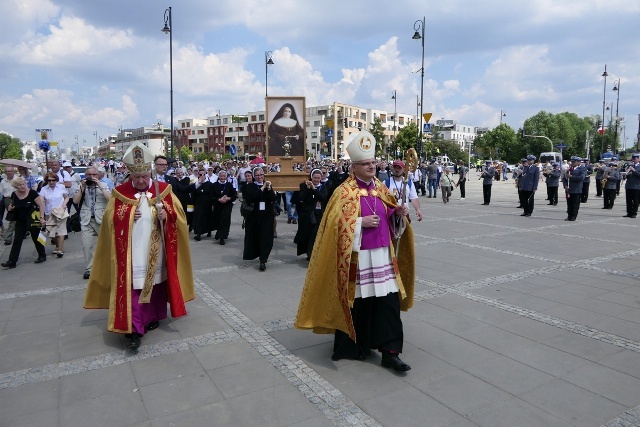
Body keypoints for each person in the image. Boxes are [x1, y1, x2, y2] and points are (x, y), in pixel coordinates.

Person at [294, 130, 415, 372]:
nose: (372, 167)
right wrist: (360, 223)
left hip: (382, 256)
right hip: (357, 259)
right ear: (354, 167)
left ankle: (391, 353)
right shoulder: (344, 191)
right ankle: (356, 346)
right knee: (358, 304)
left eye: (373, 163)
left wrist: (398, 215)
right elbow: (335, 224)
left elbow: (391, 217)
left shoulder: (381, 188)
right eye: (366, 164)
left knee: (388, 304)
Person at [83, 142, 195, 351]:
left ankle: (151, 316)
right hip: (131, 252)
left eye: (145, 176)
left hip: (156, 250)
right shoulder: (120, 193)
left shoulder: (163, 190)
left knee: (155, 284)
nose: (142, 181)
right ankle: (132, 330)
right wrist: (128, 215)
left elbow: (179, 217)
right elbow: (109, 222)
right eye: (137, 177)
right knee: (133, 287)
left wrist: (166, 215)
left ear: (149, 173)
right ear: (130, 176)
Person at [72, 166, 111, 279]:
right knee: (87, 245)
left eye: (94, 175)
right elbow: (75, 201)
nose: (92, 177)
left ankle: (107, 266)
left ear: (98, 175)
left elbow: (110, 198)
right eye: (89, 175)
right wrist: (82, 188)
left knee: (105, 245)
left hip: (101, 219)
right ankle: (89, 268)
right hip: (86, 219)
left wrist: (100, 185)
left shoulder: (104, 185)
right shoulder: (82, 186)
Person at [0, 176, 47, 268]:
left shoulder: (32, 193)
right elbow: (13, 205)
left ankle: (42, 255)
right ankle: (12, 261)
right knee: (17, 240)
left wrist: (42, 217)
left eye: (24, 184)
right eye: (20, 185)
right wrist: (10, 208)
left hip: (32, 219)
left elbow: (41, 205)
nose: (23, 186)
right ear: (15, 186)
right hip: (20, 220)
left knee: (36, 238)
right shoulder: (14, 194)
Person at [242, 167, 277, 271]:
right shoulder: (250, 186)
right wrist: (262, 188)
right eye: (257, 175)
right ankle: (257, 254)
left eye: (261, 175)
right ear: (254, 176)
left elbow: (273, 198)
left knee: (266, 237)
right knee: (255, 237)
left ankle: (263, 259)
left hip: (267, 216)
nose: (260, 177)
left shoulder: (268, 185)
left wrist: (269, 189)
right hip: (254, 215)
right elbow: (252, 197)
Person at [294, 169, 328, 260]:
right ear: (311, 177)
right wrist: (308, 188)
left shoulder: (323, 187)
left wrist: (314, 189)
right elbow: (301, 198)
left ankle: (312, 254)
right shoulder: (304, 186)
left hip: (318, 215)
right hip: (306, 215)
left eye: (318, 178)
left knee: (315, 235)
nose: (316, 180)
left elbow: (323, 198)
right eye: (314, 178)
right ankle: (308, 252)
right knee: (306, 235)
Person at [39, 172, 69, 257]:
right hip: (50, 212)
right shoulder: (44, 189)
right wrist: (42, 216)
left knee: (61, 231)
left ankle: (60, 250)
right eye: (49, 180)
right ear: (46, 181)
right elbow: (42, 203)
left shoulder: (61, 187)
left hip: (61, 212)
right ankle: (57, 246)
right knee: (52, 233)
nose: (51, 182)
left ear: (56, 180)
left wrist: (64, 205)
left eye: (53, 180)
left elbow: (66, 197)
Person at [210, 170, 237, 245]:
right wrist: (219, 199)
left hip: (227, 206)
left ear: (226, 177)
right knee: (219, 220)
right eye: (221, 176)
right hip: (218, 206)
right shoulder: (214, 185)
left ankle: (222, 237)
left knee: (225, 220)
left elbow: (234, 196)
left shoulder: (229, 185)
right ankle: (219, 233)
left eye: (224, 176)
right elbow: (211, 196)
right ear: (218, 176)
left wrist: (228, 198)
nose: (222, 178)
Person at [191, 167, 214, 240]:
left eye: (203, 174)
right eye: (200, 174)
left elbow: (212, 195)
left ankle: (209, 231)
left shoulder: (209, 184)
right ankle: (198, 234)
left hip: (207, 204)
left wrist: (213, 204)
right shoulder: (196, 184)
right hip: (198, 204)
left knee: (208, 217)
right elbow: (193, 195)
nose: (202, 176)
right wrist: (193, 204)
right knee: (198, 218)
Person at [562, 156, 586, 221]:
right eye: (572, 161)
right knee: (569, 204)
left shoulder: (582, 169)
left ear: (579, 162)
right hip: (569, 189)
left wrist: (572, 176)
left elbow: (581, 178)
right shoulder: (569, 169)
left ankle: (573, 216)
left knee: (575, 204)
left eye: (574, 162)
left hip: (576, 189)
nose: (572, 163)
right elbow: (564, 178)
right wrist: (565, 186)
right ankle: (569, 216)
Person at [1, 166, 16, 246]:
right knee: (13, 218)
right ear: (5, 172)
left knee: (14, 219)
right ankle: (25, 232)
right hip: (7, 199)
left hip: (17, 199)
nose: (9, 172)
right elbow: (2, 192)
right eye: (7, 171)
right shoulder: (3, 181)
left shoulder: (17, 179)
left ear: (13, 171)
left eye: (11, 171)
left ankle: (8, 238)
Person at [623, 153, 640, 218]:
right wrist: (626, 173)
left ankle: (634, 213)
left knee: (636, 201)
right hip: (629, 185)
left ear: (638, 159)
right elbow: (625, 176)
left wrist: (634, 170)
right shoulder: (629, 165)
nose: (634, 160)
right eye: (633, 159)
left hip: (636, 186)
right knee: (628, 200)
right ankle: (629, 212)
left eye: (635, 159)